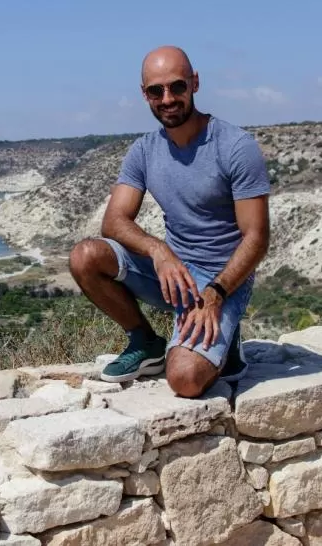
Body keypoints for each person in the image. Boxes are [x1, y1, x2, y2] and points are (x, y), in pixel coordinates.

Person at [68, 46, 271, 397]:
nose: (168, 99)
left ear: (195, 83)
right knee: (85, 256)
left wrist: (216, 294)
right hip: (172, 273)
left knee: (185, 379)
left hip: (221, 281)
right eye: (155, 91)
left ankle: (227, 340)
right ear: (144, 95)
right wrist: (158, 251)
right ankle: (145, 341)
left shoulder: (236, 146)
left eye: (177, 87)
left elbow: (257, 237)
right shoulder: (145, 151)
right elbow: (114, 221)